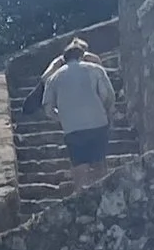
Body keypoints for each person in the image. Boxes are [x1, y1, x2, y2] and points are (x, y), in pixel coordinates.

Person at [40, 35, 116, 168]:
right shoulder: (95, 68)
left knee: (79, 169)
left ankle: (81, 188)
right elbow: (107, 95)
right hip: (98, 123)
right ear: (82, 54)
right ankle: (103, 188)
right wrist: (103, 110)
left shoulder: (54, 78)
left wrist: (63, 117)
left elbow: (48, 109)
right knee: (100, 165)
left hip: (72, 129)